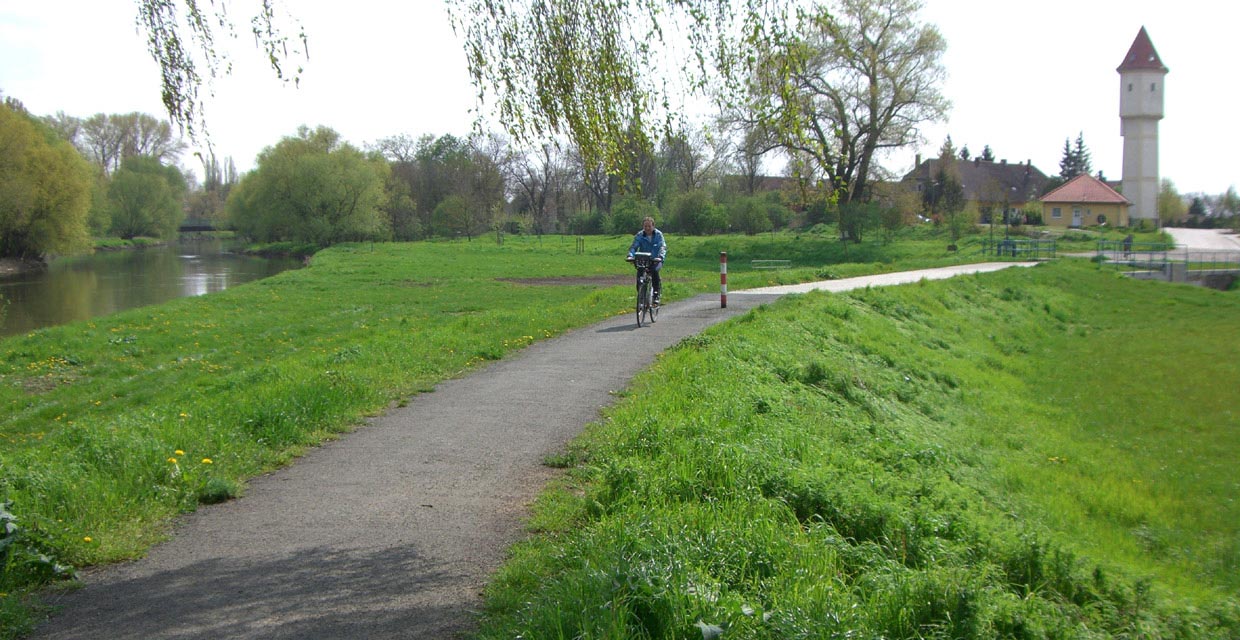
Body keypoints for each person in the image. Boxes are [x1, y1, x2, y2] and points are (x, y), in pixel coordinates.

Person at [626, 216, 666, 304]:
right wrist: (630, 255)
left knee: (655, 271)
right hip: (643, 259)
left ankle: (656, 294)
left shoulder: (658, 235)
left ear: (653, 226)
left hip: (656, 260)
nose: (647, 228)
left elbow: (662, 247)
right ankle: (641, 296)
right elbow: (634, 247)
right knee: (640, 275)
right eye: (645, 226)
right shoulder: (640, 235)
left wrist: (660, 257)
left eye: (649, 226)